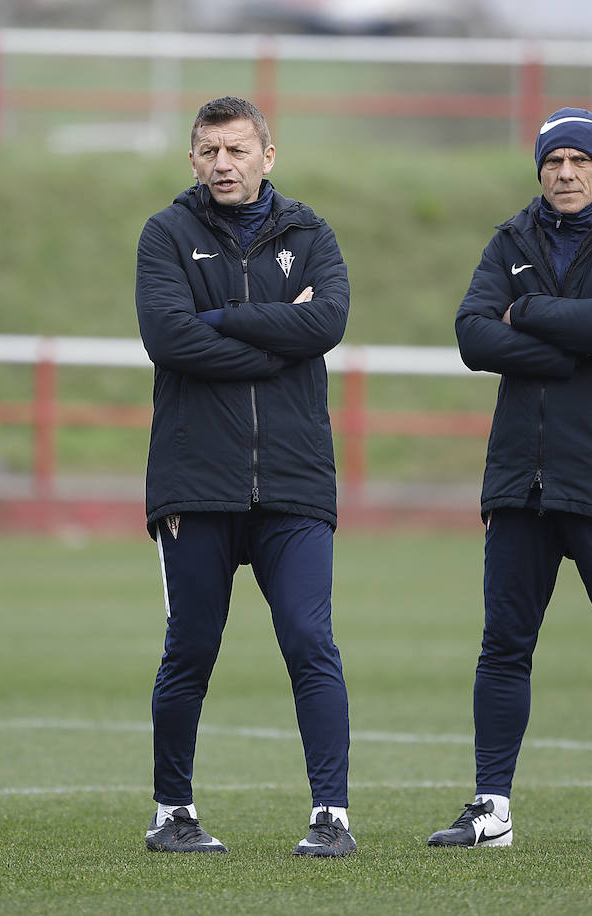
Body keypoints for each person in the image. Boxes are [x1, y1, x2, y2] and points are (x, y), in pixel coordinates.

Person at [427, 107, 592, 851]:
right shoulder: (511, 240)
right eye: (551, 162)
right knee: (504, 646)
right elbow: (473, 334)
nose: (564, 174)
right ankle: (491, 809)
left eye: (578, 161)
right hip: (520, 484)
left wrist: (528, 312)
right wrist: (568, 345)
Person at [135, 96, 355, 857]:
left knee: (308, 639)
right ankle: (173, 813)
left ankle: (332, 816)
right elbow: (170, 339)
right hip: (195, 484)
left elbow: (325, 323)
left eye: (236, 150)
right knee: (191, 647)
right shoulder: (166, 234)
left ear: (269, 155)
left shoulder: (312, 233)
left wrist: (222, 319)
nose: (222, 164)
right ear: (191, 159)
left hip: (295, 483)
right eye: (207, 151)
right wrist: (274, 338)